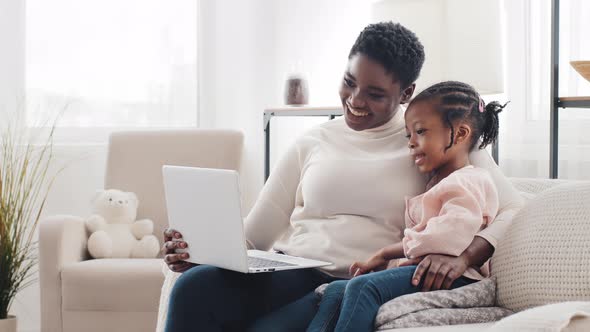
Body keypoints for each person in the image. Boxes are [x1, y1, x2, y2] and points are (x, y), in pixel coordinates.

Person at [163, 22, 523, 331]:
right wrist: (198, 252)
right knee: (194, 286)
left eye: (375, 93)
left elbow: (513, 210)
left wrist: (465, 256)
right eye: (349, 82)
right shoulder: (312, 142)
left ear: (406, 93)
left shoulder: (431, 140)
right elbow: (253, 238)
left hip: (352, 281)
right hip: (292, 269)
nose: (355, 100)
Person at [307, 81, 507, 332]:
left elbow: (447, 236)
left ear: (462, 133)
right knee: (337, 290)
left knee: (363, 287)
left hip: (457, 278)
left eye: (421, 132)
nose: (411, 143)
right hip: (425, 271)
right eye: (408, 135)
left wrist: (385, 254)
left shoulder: (468, 180)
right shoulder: (438, 183)